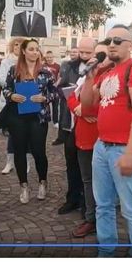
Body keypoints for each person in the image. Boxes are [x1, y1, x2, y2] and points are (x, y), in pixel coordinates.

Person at [80, 24, 132, 257]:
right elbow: (89, 102)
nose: (111, 45)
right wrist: (90, 75)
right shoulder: (106, 72)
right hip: (102, 147)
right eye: (108, 40)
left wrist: (131, 152)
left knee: (131, 208)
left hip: (122, 149)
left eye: (117, 41)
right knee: (103, 206)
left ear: (129, 45)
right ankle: (106, 252)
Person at [0, 39, 56, 204]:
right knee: (19, 151)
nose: (35, 52)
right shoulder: (13, 70)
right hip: (18, 116)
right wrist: (11, 96)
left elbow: (55, 92)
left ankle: (42, 182)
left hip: (39, 117)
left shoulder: (45, 72)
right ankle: (23, 185)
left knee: (39, 151)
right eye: (31, 49)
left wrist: (45, 97)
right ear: (23, 51)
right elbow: (6, 89)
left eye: (37, 49)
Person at [68, 42, 109, 238]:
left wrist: (84, 109)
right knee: (88, 179)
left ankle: (102, 217)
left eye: (99, 55)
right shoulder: (86, 75)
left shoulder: (109, 76)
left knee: (104, 181)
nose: (93, 59)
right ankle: (91, 218)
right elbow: (71, 96)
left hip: (103, 136)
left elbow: (101, 106)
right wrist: (78, 108)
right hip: (84, 135)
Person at [57, 38, 95, 215]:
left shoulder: (99, 68)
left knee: (88, 167)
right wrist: (69, 92)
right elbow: (60, 87)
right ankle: (72, 199)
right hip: (70, 122)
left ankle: (87, 202)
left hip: (89, 125)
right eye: (82, 52)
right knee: (71, 163)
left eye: (89, 53)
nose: (85, 56)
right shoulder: (68, 65)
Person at [0, 37, 26, 174]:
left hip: (26, 100)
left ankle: (26, 162)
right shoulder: (6, 61)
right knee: (12, 133)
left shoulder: (29, 61)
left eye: (21, 45)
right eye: (16, 44)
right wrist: (14, 87)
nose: (18, 47)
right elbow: (2, 79)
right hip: (11, 100)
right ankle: (9, 162)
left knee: (27, 133)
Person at [53, 47, 80, 146]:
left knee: (72, 117)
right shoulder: (65, 64)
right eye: (72, 52)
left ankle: (71, 137)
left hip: (75, 94)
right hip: (64, 93)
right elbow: (60, 77)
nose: (73, 53)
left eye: (75, 52)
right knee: (63, 116)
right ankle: (61, 137)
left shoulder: (81, 66)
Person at [43, 50, 61, 128]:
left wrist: (57, 83)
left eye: (50, 57)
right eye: (47, 57)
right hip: (45, 88)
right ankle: (45, 119)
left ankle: (55, 121)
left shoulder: (57, 66)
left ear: (53, 57)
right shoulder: (43, 66)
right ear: (45, 58)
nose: (49, 59)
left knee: (55, 106)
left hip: (55, 88)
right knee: (44, 104)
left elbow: (60, 76)